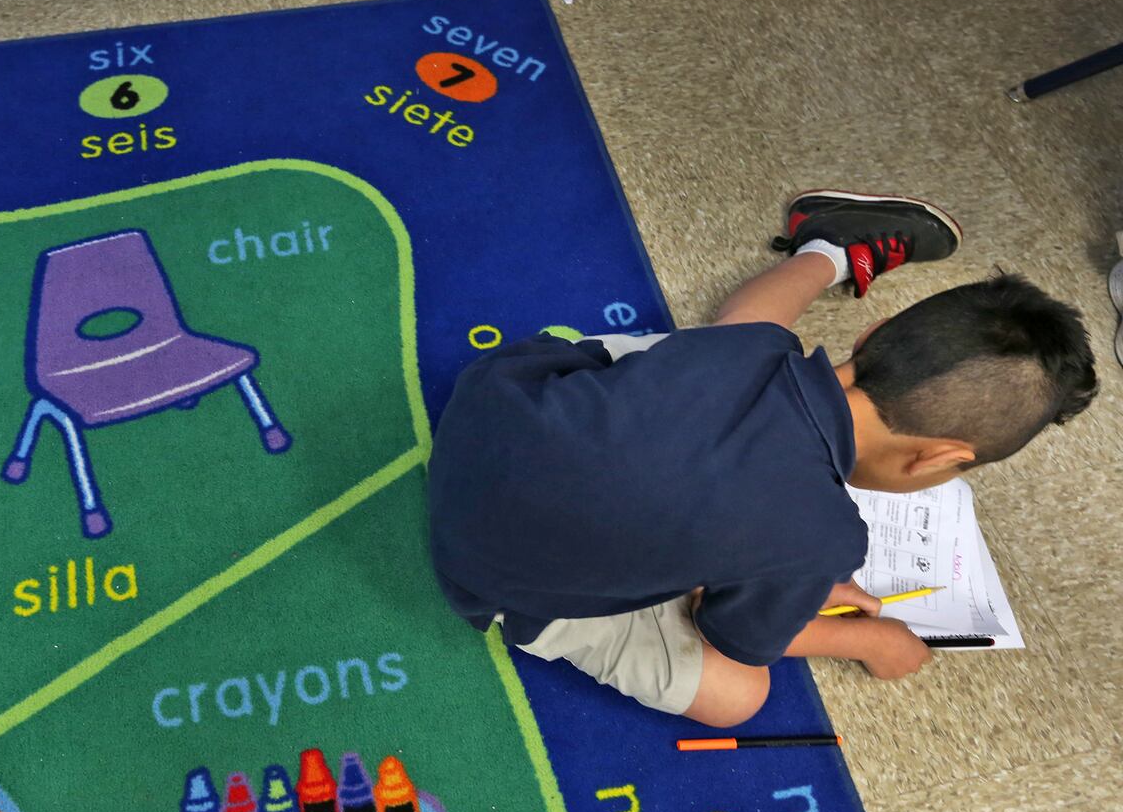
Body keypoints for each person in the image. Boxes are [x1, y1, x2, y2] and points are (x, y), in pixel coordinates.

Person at [426, 190, 1098, 727]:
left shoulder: (751, 348)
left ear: (869, 335)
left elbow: (748, 332)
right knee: (738, 696)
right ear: (936, 460)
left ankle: (830, 249)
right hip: (497, 583)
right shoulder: (821, 538)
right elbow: (738, 638)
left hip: (493, 406)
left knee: (713, 348)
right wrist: (869, 641)